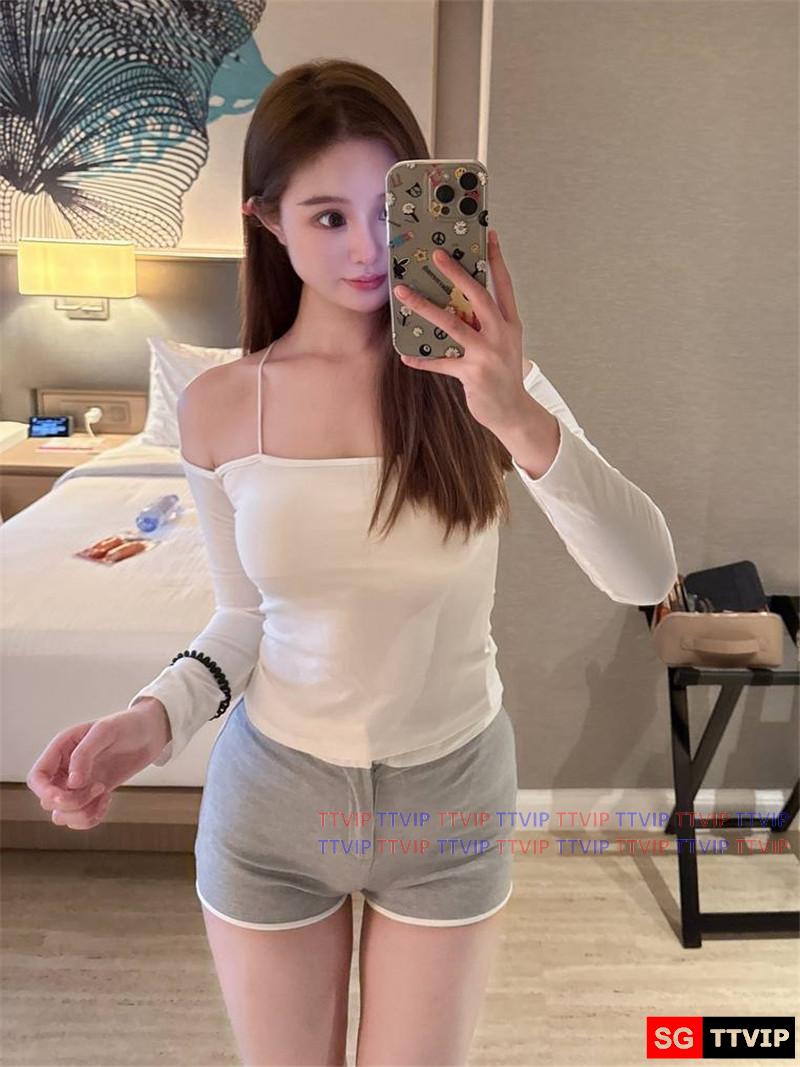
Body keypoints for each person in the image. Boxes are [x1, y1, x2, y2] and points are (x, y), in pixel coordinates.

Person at [28, 58, 678, 1066]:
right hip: (273, 802)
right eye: (327, 216)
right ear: (267, 222)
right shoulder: (219, 406)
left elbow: (645, 578)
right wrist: (150, 720)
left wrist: (512, 411)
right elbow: (243, 621)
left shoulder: (485, 383)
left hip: (449, 798)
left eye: (387, 209)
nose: (368, 247)